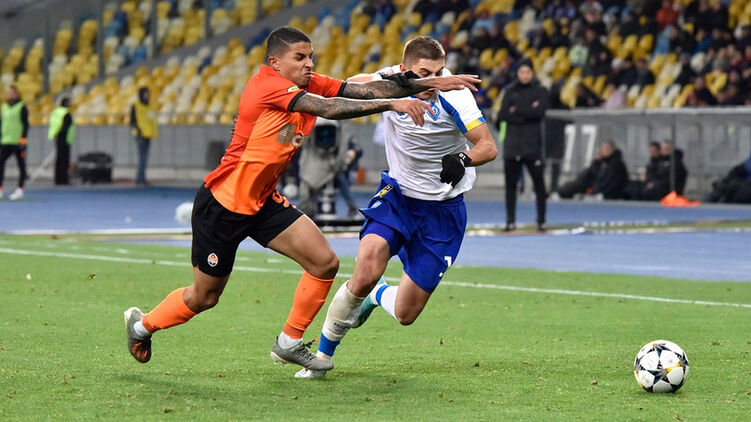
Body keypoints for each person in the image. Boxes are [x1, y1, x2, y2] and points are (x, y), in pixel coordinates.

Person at [122, 26, 480, 372]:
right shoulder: (267, 86)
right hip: (223, 204)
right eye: (300, 57)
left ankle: (289, 342)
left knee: (324, 263)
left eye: (311, 56)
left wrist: (428, 83)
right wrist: (393, 104)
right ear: (275, 62)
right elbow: (330, 108)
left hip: (262, 203)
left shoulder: (306, 82)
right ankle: (141, 326)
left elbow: (362, 89)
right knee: (204, 297)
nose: (309, 63)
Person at [296, 35, 497, 378]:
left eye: (438, 71)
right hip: (398, 196)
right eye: (424, 73)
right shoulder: (388, 82)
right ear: (405, 69)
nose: (433, 80)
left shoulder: (455, 94)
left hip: (442, 211)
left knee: (406, 313)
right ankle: (322, 358)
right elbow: (346, 88)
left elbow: (488, 146)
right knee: (367, 267)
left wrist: (463, 159)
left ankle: (377, 296)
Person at [497, 59, 549, 232]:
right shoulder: (510, 90)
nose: (525, 75)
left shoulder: (540, 90)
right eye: (522, 72)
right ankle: (510, 221)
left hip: (532, 146)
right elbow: (503, 115)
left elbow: (539, 113)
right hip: (512, 146)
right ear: (517, 73)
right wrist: (528, 111)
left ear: (532, 73)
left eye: (528, 72)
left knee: (539, 185)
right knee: (510, 186)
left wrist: (517, 110)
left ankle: (541, 220)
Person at [557, 140, 628, 200]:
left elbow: (607, 182)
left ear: (613, 150)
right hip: (596, 191)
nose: (605, 151)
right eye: (603, 149)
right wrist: (596, 162)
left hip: (607, 194)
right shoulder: (603, 163)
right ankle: (561, 192)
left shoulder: (616, 164)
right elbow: (590, 175)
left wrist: (595, 192)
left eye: (608, 149)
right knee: (576, 184)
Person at [0, 85, 29, 200]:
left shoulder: (21, 107)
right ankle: (0, 189)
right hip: (5, 141)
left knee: (21, 166)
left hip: (18, 142)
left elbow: (25, 124)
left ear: (17, 94)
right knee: (1, 163)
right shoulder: (4, 107)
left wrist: (23, 139)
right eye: (9, 93)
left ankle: (20, 189)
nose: (10, 95)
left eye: (13, 93)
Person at [130, 86, 157, 186]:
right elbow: (132, 121)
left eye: (148, 94)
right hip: (140, 135)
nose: (147, 96)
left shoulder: (150, 106)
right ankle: (140, 179)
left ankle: (142, 178)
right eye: (146, 94)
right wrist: (139, 130)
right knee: (142, 157)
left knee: (145, 158)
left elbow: (152, 120)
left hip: (148, 134)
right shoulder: (136, 106)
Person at [48, 97, 75, 185]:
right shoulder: (66, 113)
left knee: (59, 159)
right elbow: (66, 126)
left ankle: (58, 179)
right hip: (64, 138)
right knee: (64, 160)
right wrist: (62, 133)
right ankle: (63, 179)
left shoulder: (55, 112)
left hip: (56, 136)